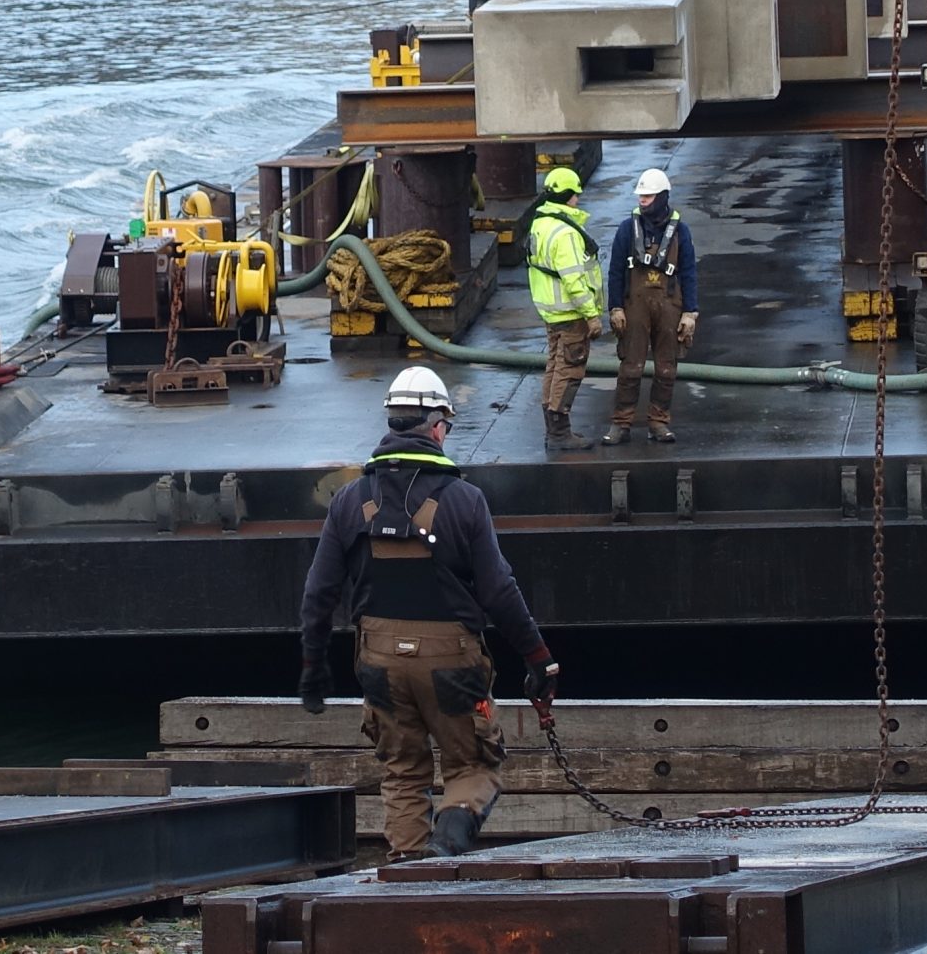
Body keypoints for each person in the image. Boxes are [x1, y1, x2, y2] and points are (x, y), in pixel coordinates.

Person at [297, 366, 560, 861]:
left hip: (378, 660)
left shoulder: (349, 500)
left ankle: (409, 878)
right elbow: (499, 589)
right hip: (450, 660)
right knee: (474, 767)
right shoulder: (465, 501)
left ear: (392, 423)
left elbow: (319, 592)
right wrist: (538, 656)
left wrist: (313, 666)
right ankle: (447, 844)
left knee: (402, 771)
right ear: (437, 426)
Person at [604, 167, 700, 444]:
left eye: (647, 196)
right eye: (641, 196)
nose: (642, 200)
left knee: (666, 368)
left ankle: (659, 422)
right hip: (634, 306)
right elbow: (615, 271)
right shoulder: (627, 229)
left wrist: (690, 313)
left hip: (670, 305)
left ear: (662, 197)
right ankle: (621, 424)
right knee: (631, 367)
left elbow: (689, 271)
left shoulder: (681, 231)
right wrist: (615, 307)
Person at [526, 166, 602, 452]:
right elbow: (574, 279)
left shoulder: (540, 223)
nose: (578, 201)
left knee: (554, 368)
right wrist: (592, 315)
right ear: (569, 196)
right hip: (571, 314)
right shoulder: (565, 233)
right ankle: (560, 433)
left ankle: (553, 429)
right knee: (569, 370)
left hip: (551, 312)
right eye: (576, 195)